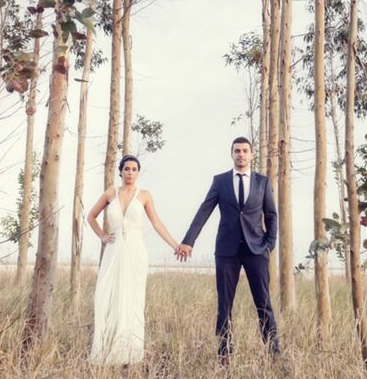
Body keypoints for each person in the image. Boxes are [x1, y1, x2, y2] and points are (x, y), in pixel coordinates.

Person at [176, 137, 280, 362]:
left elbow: (271, 215)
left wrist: (270, 244)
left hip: (256, 250)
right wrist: (188, 241)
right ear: (231, 154)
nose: (241, 154)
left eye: (245, 151)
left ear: (251, 155)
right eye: (237, 151)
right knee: (224, 304)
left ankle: (273, 351)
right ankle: (225, 352)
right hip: (226, 251)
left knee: (263, 302)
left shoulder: (262, 182)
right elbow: (204, 211)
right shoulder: (220, 181)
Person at [86, 155, 180, 365]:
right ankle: (106, 348)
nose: (130, 172)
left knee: (132, 298)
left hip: (136, 251)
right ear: (120, 172)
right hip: (114, 249)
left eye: (134, 169)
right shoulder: (111, 193)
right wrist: (102, 235)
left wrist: (175, 245)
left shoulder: (144, 195)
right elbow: (91, 216)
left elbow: (157, 223)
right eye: (126, 169)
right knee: (106, 296)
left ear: (138, 172)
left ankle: (130, 351)